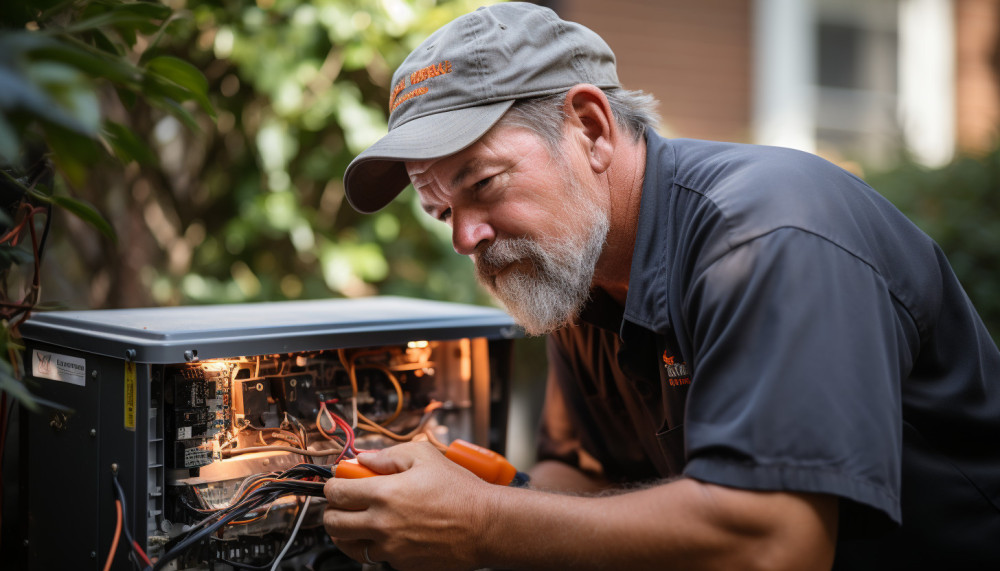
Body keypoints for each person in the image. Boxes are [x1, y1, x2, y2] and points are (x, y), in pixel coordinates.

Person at [323, 3, 1000, 570]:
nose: (465, 236)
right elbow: (588, 476)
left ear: (589, 127)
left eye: (482, 184)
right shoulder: (573, 270)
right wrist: (490, 490)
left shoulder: (766, 236)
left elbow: (776, 541)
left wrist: (482, 521)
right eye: (444, 209)